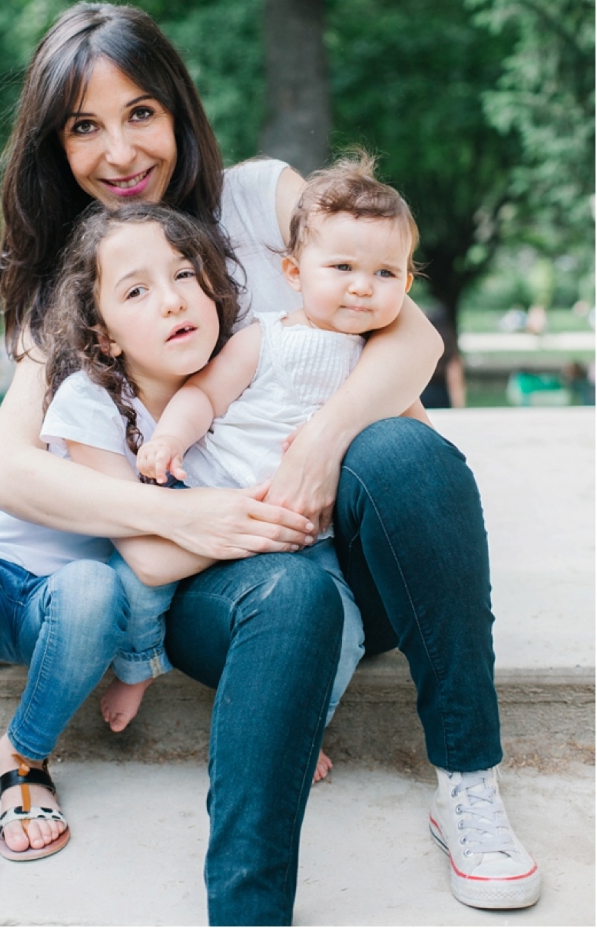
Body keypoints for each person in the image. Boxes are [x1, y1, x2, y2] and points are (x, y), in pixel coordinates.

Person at [0, 1, 534, 921]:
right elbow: (12, 472)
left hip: (344, 534)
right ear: (54, 147)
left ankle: (468, 782)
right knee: (292, 590)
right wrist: (206, 516)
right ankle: (247, 908)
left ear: (180, 111)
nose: (120, 152)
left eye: (140, 112)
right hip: (222, 587)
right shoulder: (72, 279)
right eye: (84, 127)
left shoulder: (262, 196)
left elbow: (412, 340)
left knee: (405, 448)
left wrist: (317, 446)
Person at [134, 158, 422, 776]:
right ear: (293, 272)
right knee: (136, 582)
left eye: (384, 273)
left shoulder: (380, 365)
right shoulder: (264, 335)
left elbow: (416, 455)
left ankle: (297, 721)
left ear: (407, 282)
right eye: (341, 268)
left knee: (338, 629)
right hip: (218, 506)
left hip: (307, 541)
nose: (362, 287)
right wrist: (170, 439)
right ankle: (135, 668)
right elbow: (204, 395)